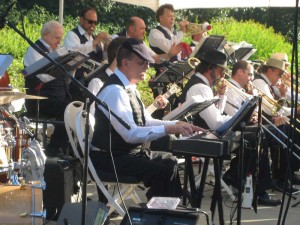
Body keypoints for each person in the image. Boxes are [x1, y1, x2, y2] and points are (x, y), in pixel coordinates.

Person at [90, 38, 203, 200]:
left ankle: (164, 210)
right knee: (161, 171)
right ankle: (158, 215)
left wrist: (177, 124)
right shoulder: (115, 91)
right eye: (142, 63)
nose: (147, 67)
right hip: (108, 159)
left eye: (148, 63)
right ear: (125, 63)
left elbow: (146, 121)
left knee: (169, 161)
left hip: (125, 154)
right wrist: (169, 128)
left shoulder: (129, 88)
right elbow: (130, 134)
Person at [223, 60, 281, 206]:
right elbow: (234, 118)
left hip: (244, 129)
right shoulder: (230, 89)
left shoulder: (242, 89)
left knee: (275, 132)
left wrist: (254, 110)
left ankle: (237, 174)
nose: (251, 78)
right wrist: (252, 114)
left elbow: (250, 115)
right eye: (250, 74)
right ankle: (259, 188)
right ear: (240, 72)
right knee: (261, 135)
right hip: (232, 132)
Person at [253, 56, 300, 192]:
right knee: (287, 132)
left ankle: (288, 173)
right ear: (269, 70)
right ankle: (281, 177)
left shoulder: (269, 84)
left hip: (271, 121)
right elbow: (270, 109)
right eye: (279, 74)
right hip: (264, 123)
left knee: (292, 129)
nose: (280, 78)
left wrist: (284, 95)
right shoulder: (260, 83)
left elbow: (276, 106)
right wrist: (295, 110)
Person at [23, 20, 70, 156]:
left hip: (57, 96)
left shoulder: (56, 50)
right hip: (40, 99)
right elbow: (41, 77)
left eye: (61, 38)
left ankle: (70, 149)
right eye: (57, 38)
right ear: (46, 35)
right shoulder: (34, 51)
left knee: (78, 105)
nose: (59, 42)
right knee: (66, 108)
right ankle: (55, 148)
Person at [64, 7, 110, 101]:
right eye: (90, 22)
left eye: (95, 23)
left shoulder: (95, 38)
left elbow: (102, 60)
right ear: (81, 19)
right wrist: (94, 42)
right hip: (77, 84)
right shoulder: (72, 35)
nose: (93, 25)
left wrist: (106, 48)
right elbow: (74, 53)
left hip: (94, 84)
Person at [180, 50, 231, 129]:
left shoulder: (201, 84)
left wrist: (221, 94)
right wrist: (237, 118)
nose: (223, 76)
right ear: (210, 67)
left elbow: (217, 114)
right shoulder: (201, 88)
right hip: (193, 137)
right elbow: (216, 123)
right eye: (221, 71)